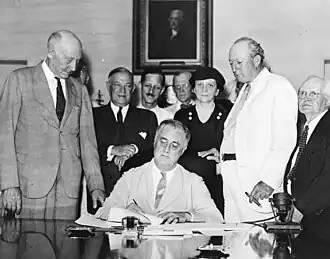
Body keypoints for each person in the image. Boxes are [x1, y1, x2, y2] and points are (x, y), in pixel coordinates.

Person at [0, 30, 105, 219]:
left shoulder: (79, 90)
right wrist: (9, 184)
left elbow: (88, 143)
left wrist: (96, 185)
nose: (73, 68)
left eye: (77, 61)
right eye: (68, 60)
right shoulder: (19, 80)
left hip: (68, 191)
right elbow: (4, 135)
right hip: (28, 189)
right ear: (50, 52)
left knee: (68, 247)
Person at [219, 37, 297, 222]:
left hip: (257, 185)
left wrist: (269, 180)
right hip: (233, 182)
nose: (234, 68)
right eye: (231, 63)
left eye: (239, 62)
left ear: (256, 60)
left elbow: (284, 141)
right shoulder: (244, 90)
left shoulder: (278, 86)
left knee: (259, 244)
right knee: (234, 244)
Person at [96, 119, 223, 224]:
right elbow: (102, 213)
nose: (166, 149)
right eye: (163, 142)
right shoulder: (131, 176)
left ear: (183, 150)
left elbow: (216, 218)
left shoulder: (193, 181)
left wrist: (187, 216)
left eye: (174, 145)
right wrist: (124, 214)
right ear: (154, 142)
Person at [92, 67, 158, 204]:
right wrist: (112, 150)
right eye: (117, 85)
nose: (122, 91)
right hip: (103, 192)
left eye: (127, 86)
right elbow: (85, 149)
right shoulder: (93, 116)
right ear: (108, 86)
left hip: (138, 194)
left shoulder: (148, 117)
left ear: (133, 89)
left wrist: (133, 149)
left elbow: (154, 148)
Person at [174, 66, 231, 215]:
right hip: (188, 183)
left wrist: (222, 155)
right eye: (200, 85)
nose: (204, 89)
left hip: (218, 183)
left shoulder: (227, 116)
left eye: (210, 85)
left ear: (217, 91)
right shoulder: (182, 116)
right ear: (193, 89)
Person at [285, 76, 330, 240]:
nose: (306, 98)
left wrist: (302, 208)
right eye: (302, 94)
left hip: (321, 222)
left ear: (327, 100)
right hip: (304, 219)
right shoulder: (306, 129)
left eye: (313, 94)